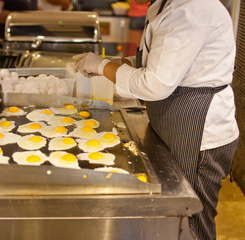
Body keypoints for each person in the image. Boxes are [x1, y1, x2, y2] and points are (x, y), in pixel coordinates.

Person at [73, 0, 239, 239]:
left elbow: (155, 84)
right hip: (176, 121)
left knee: (190, 221)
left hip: (199, 133)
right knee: (173, 218)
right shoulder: (163, 4)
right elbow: (158, 63)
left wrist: (101, 66)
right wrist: (112, 64)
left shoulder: (191, 8)